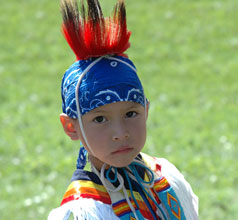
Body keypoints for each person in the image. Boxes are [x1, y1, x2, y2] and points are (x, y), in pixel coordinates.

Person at [48, 0, 198, 219]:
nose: (120, 133)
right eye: (100, 119)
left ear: (146, 111)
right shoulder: (82, 211)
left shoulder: (167, 178)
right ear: (71, 127)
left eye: (130, 114)